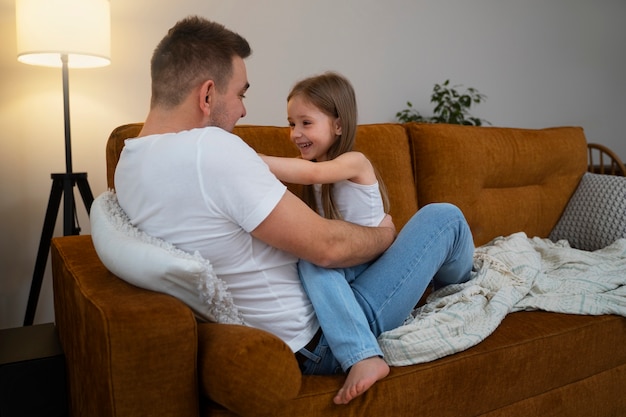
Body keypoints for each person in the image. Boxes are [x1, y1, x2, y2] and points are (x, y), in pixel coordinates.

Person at [114, 16, 475, 406]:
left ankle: (450, 283)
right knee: (444, 218)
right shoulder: (212, 149)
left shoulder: (129, 165)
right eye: (240, 94)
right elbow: (327, 248)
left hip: (311, 321)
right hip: (321, 336)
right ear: (207, 95)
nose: (243, 111)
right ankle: (454, 287)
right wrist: (387, 235)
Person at [259, 72, 392, 379]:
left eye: (306, 123)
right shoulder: (316, 170)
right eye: (292, 123)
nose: (295, 133)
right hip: (348, 265)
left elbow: (311, 174)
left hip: (372, 262)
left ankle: (361, 355)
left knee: (313, 264)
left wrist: (251, 158)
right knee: (304, 258)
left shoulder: (354, 162)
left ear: (339, 125)